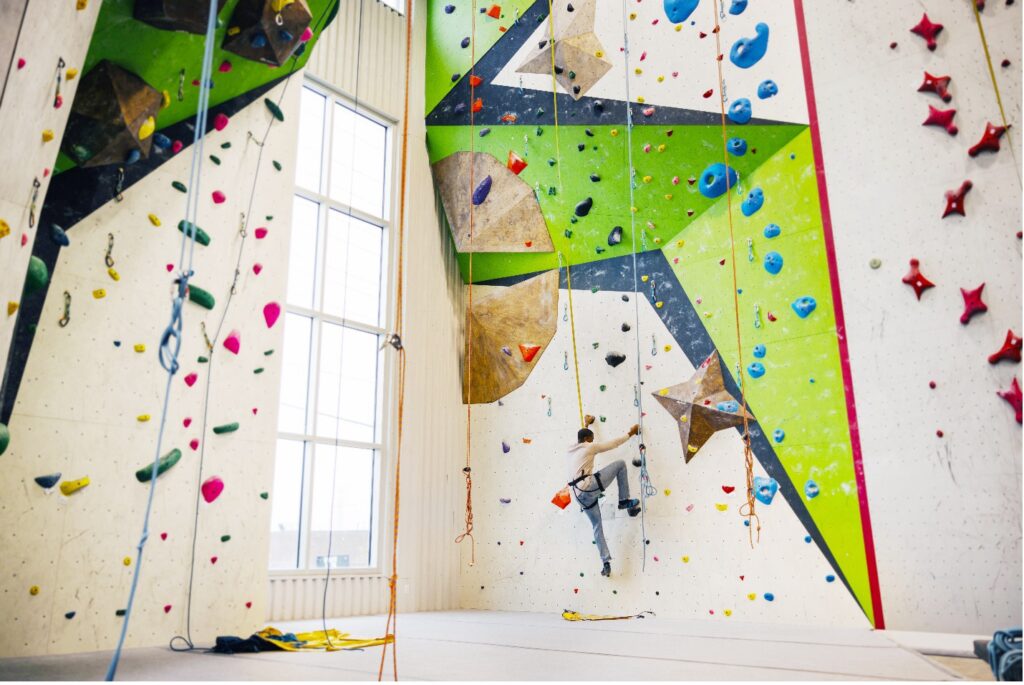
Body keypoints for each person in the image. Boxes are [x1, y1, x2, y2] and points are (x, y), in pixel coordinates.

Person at [566, 414, 641, 577]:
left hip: (579, 498)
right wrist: (631, 433)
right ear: (587, 439)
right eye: (591, 439)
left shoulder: (571, 448)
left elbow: (580, 437)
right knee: (620, 464)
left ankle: (605, 563)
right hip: (587, 487)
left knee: (597, 526)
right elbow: (612, 444)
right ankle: (624, 501)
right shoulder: (589, 447)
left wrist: (587, 423)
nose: (594, 442)